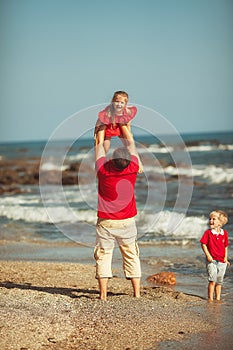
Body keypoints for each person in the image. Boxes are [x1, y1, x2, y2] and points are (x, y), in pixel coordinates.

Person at [94, 130, 141, 300]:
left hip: (106, 222)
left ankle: (103, 295)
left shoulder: (103, 170)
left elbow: (99, 148)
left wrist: (101, 131)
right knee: (131, 255)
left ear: (112, 160)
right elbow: (131, 143)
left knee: (104, 256)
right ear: (128, 161)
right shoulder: (133, 168)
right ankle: (136, 294)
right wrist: (123, 125)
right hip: (127, 221)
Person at [94, 90, 143, 173]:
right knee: (104, 145)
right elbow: (99, 122)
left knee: (130, 143)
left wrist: (129, 134)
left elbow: (128, 124)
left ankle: (139, 162)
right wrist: (95, 133)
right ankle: (99, 163)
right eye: (117, 102)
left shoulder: (127, 112)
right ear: (113, 101)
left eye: (122, 103)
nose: (119, 104)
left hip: (119, 127)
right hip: (108, 127)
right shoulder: (108, 112)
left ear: (125, 104)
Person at [200, 210, 230, 302]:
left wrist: (225, 258)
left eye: (214, 219)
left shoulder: (224, 233)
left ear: (220, 223)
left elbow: (225, 246)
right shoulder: (208, 233)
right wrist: (208, 255)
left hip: (222, 261)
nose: (211, 221)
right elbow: (203, 244)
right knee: (212, 280)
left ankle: (218, 299)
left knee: (219, 282)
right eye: (210, 219)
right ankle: (210, 299)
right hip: (212, 261)